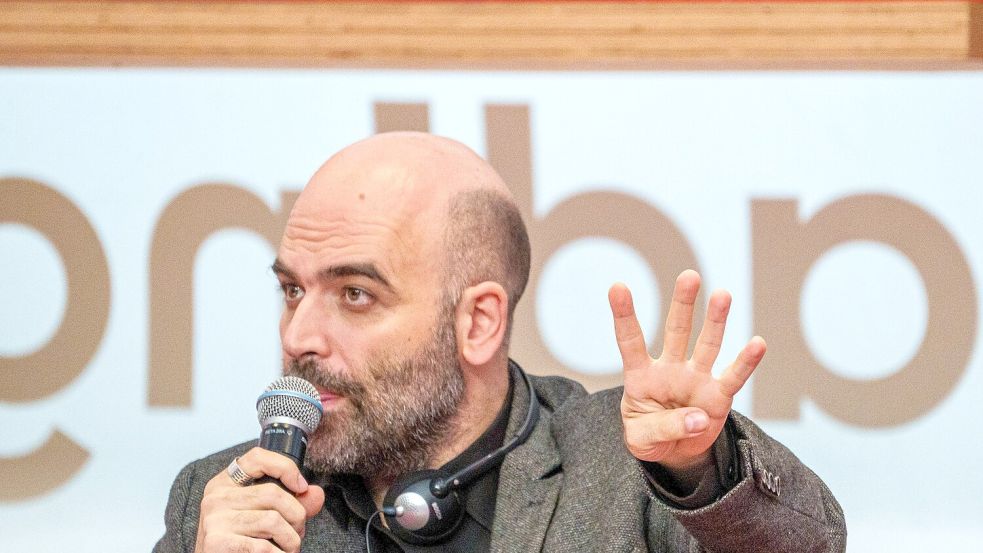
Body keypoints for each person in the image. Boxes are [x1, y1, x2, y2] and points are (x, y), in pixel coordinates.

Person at [154, 132, 845, 552]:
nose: (299, 335)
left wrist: (700, 472)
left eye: (355, 294)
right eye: (292, 290)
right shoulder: (220, 505)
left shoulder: (627, 471)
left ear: (477, 321)